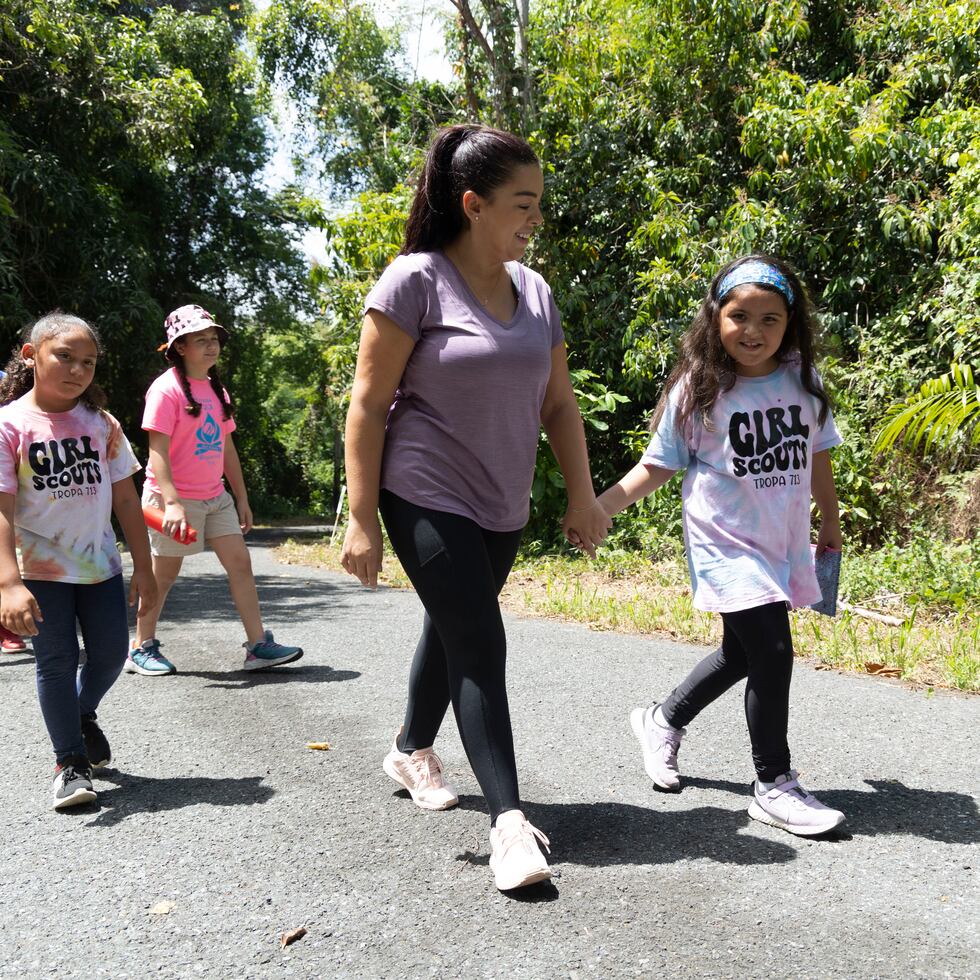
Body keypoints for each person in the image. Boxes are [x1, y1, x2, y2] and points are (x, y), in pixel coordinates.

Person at [341, 124, 611, 891]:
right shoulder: (413, 281)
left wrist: (583, 496)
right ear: (472, 204)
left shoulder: (536, 292)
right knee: (479, 638)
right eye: (522, 204)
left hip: (503, 500)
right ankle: (509, 825)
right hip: (422, 488)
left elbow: (560, 406)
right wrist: (363, 518)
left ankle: (407, 745)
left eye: (539, 205)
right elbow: (368, 405)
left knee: (451, 624)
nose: (535, 219)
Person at [596, 255, 847, 837]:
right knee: (774, 651)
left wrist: (829, 521)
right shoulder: (701, 388)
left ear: (791, 326)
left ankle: (662, 720)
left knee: (743, 654)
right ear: (716, 318)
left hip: (779, 544)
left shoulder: (803, 383)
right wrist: (601, 506)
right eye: (739, 316)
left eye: (770, 319)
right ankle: (773, 784)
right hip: (725, 542)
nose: (754, 331)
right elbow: (657, 465)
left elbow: (818, 456)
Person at [0, 312, 157, 809]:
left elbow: (128, 501)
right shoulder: (9, 426)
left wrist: (146, 568)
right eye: (63, 356)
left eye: (87, 362)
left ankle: (81, 712)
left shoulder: (101, 424)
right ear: (31, 355)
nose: (76, 369)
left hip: (100, 569)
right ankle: (69, 763)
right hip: (38, 572)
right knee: (56, 659)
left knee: (112, 653)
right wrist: (7, 583)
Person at [126, 305, 303, 675]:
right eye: (200, 340)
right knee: (164, 575)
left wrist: (241, 497)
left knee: (241, 563)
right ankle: (141, 646)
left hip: (214, 496)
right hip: (171, 500)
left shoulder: (217, 389)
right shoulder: (165, 390)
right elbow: (156, 452)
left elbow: (226, 448)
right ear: (179, 348)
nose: (211, 346)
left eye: (214, 339)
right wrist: (172, 503)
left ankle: (257, 646)